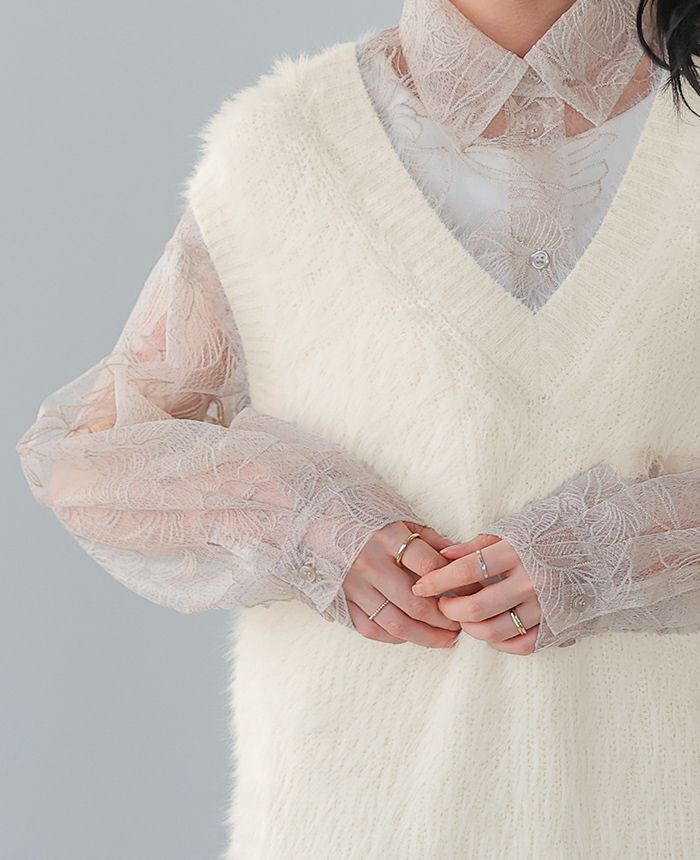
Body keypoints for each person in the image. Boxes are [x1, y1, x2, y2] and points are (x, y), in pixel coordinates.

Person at [16, 0, 700, 856]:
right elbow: (87, 455)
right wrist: (301, 514)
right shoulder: (281, 146)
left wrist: (638, 543)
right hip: (356, 817)